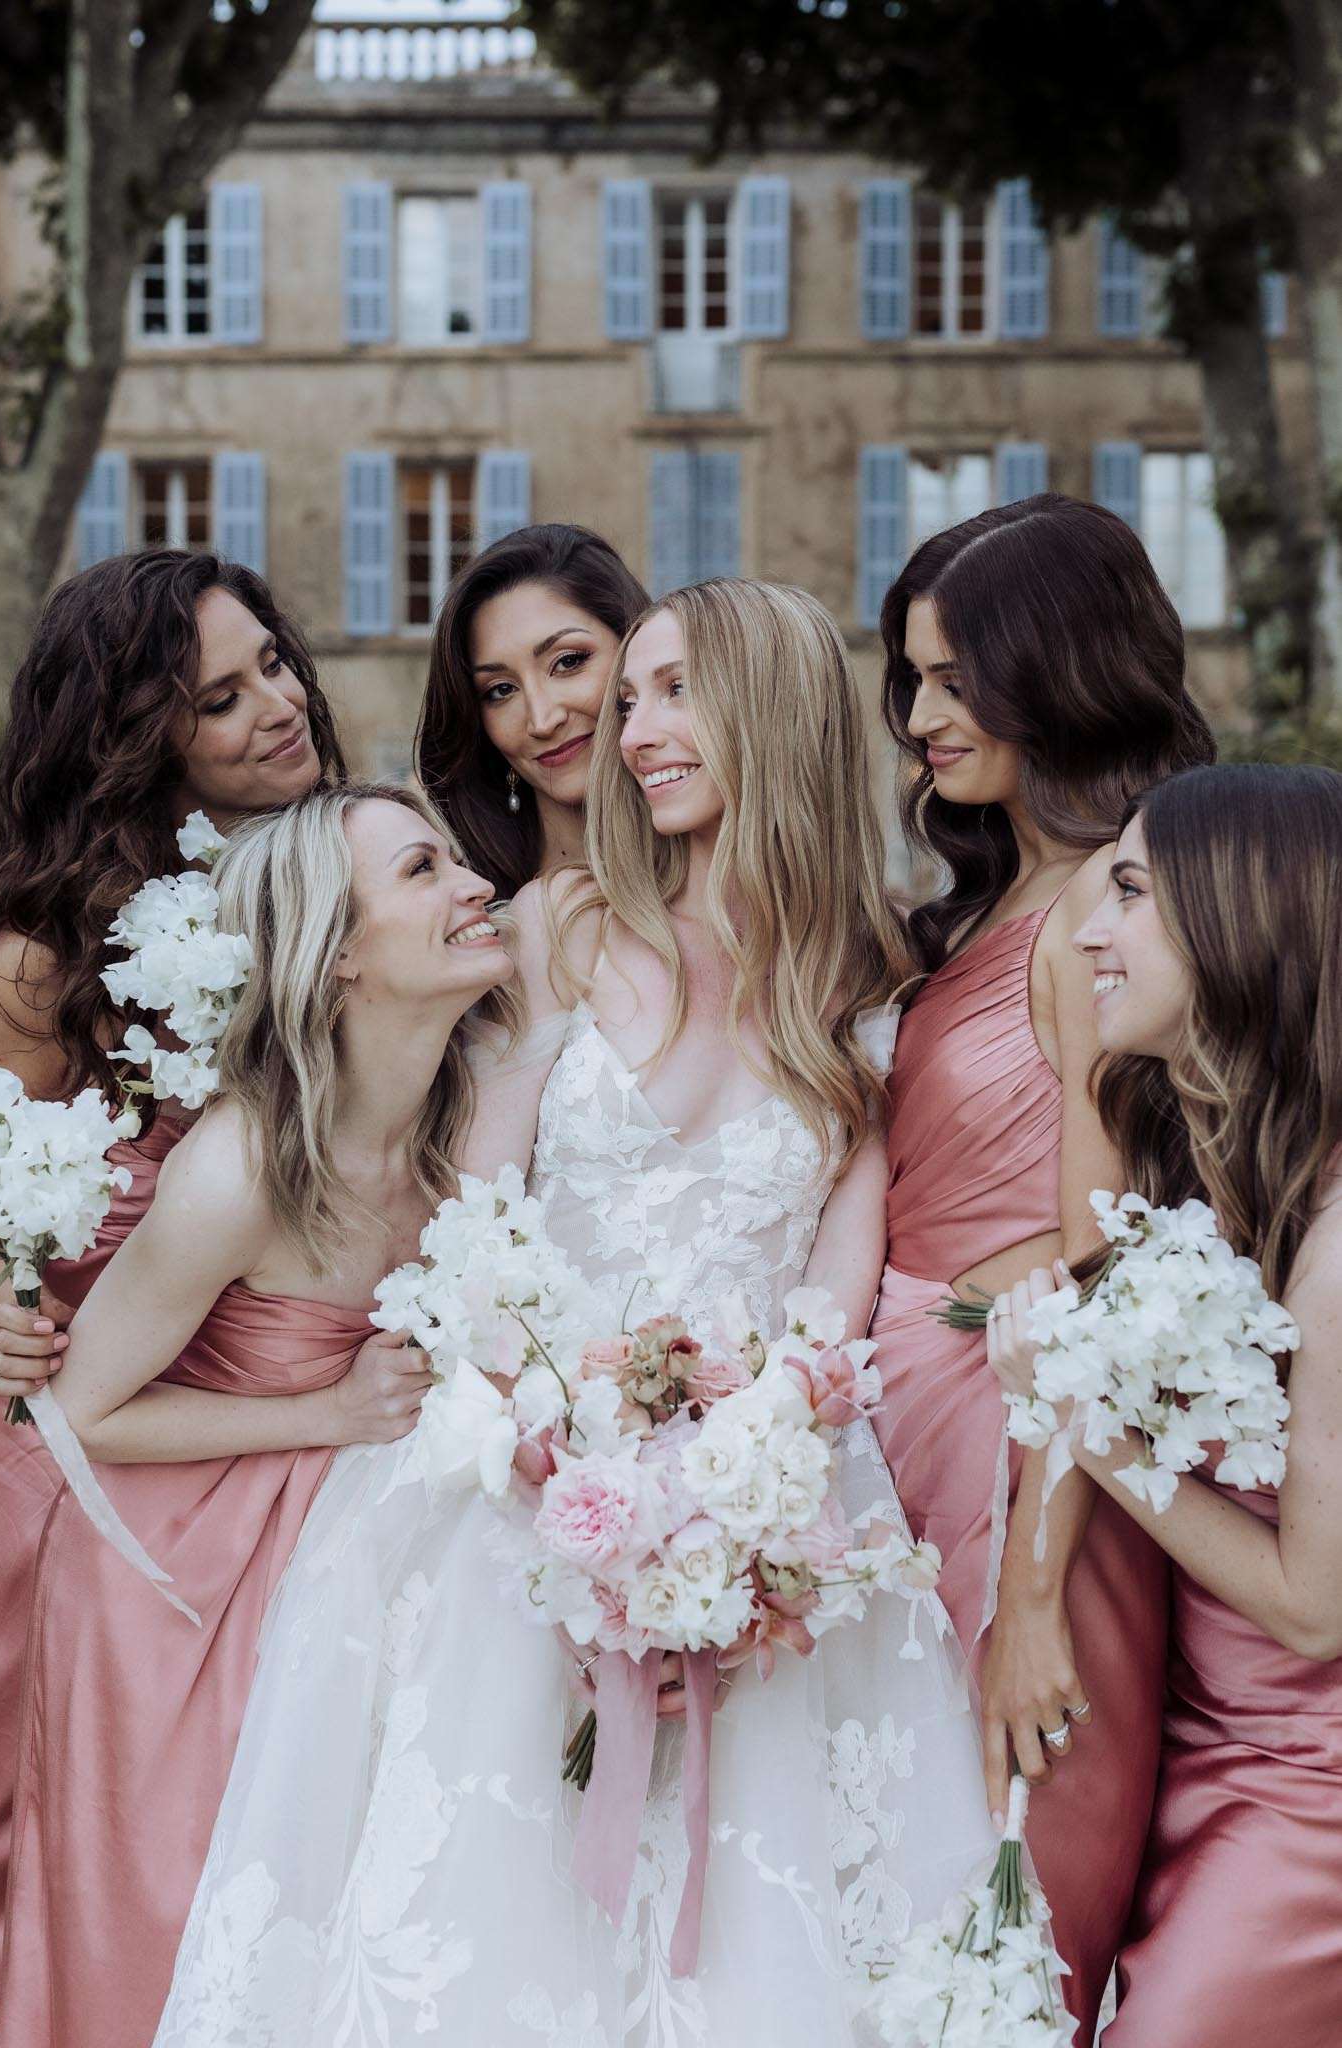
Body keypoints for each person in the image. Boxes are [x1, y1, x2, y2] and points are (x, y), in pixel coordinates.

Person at [152, 581, 998, 2047]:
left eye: (670, 695)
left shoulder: (868, 980)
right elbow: (479, 1215)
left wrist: (751, 1471)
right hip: (522, 1486)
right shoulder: (560, 926)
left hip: (778, 1495)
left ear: (769, 713)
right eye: (631, 703)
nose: (633, 733)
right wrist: (562, 1443)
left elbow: (835, 1278)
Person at [0, 785, 516, 2048]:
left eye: (457, 859)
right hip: (170, 1582)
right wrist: (330, 1407)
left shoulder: (464, 1116)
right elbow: (72, 1414)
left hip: (349, 1547)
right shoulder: (240, 1165)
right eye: (424, 870)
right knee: (190, 1919)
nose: (475, 885)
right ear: (338, 947)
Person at [0, 547, 345, 2040]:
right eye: (217, 696)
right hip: (66, 1460)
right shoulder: (40, 965)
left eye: (273, 663)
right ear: (135, 743)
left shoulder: (329, 889)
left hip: (287, 1455)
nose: (279, 705)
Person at [867, 494, 1215, 2042]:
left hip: (1044, 1472)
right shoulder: (978, 910)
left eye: (958, 678)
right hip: (901, 1451)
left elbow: (1109, 1284)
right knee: (893, 1910)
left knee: (1014, 1929)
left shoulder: (1113, 915)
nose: (925, 716)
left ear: (1058, 668)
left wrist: (1031, 1595)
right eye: (915, 681)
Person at [987, 763, 1342, 2048]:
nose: (1088, 927)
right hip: (1195, 1750)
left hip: (1309, 1794)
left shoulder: (1338, 1240)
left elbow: (1315, 1604)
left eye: (1130, 890)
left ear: (1243, 916)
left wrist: (1093, 1425)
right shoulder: (1202, 1170)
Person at [415, 522, 650, 897]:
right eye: (501, 690)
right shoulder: (477, 914)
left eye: (569, 661)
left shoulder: (739, 874)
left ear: (635, 644)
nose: (542, 721)